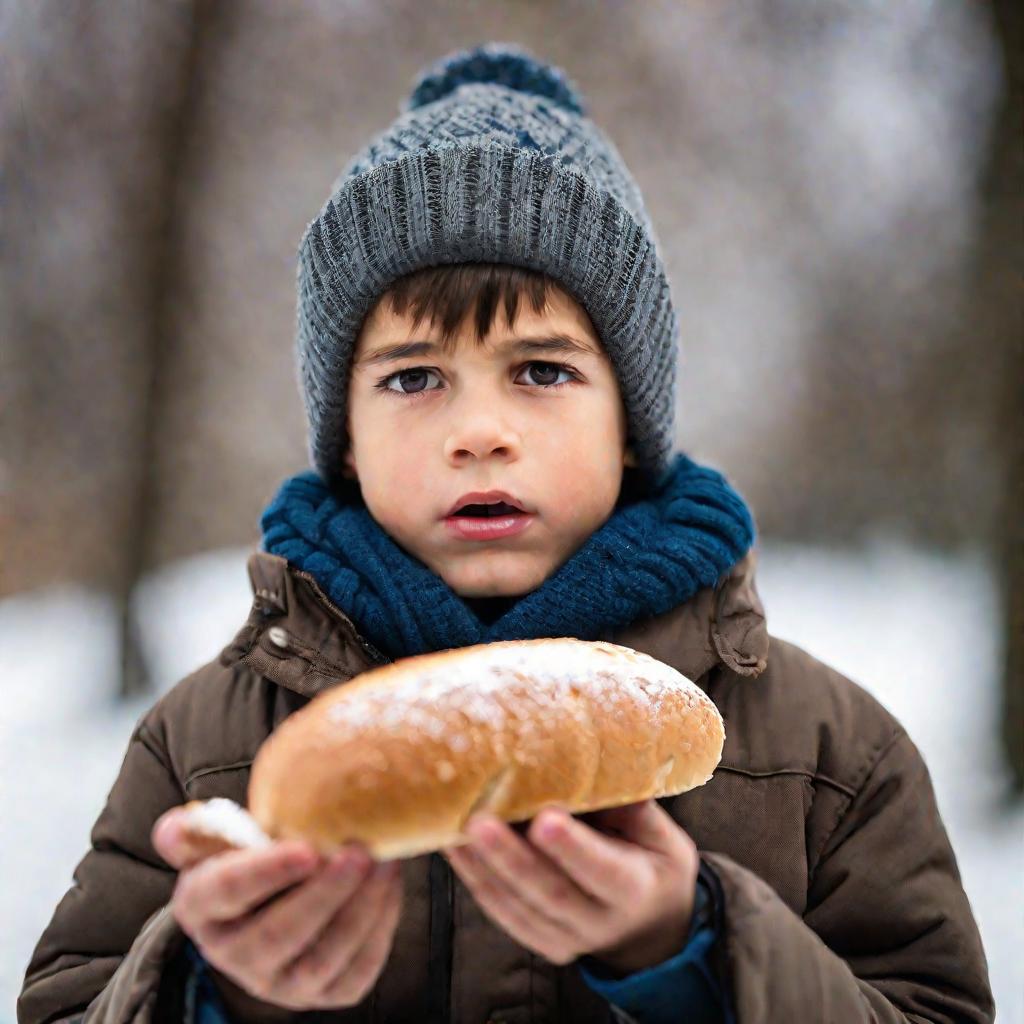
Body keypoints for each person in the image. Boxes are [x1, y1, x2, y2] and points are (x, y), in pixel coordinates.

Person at [18, 42, 994, 1024]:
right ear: (345, 441)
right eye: (411, 378)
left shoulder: (825, 750)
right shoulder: (208, 747)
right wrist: (214, 982)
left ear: (630, 429)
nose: (479, 432)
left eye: (541, 370)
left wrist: (693, 947)